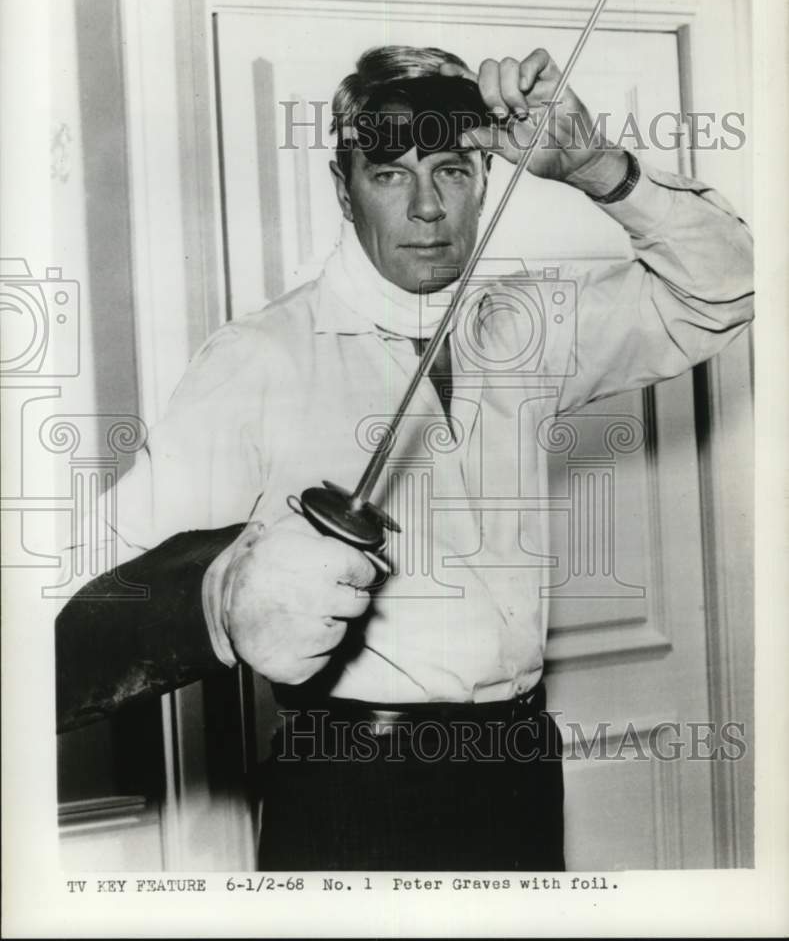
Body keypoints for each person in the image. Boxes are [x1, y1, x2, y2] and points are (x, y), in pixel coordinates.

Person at [56, 45, 754, 871]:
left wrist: (597, 167)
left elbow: (727, 288)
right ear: (342, 188)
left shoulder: (528, 326)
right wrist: (217, 597)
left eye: (451, 170)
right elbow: (77, 610)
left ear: (485, 179)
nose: (427, 208)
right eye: (390, 174)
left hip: (518, 766)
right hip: (353, 783)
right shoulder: (260, 358)